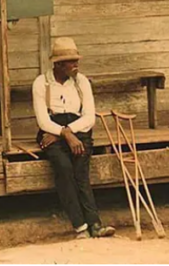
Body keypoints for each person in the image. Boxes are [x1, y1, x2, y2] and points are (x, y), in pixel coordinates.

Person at [33, 37, 117, 239]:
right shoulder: (41, 83)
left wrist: (68, 132)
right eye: (71, 61)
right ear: (58, 64)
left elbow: (89, 118)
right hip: (51, 132)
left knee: (81, 172)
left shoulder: (82, 82)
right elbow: (43, 121)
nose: (76, 64)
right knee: (64, 168)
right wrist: (64, 134)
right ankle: (80, 227)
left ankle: (95, 224)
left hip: (78, 132)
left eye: (76, 60)